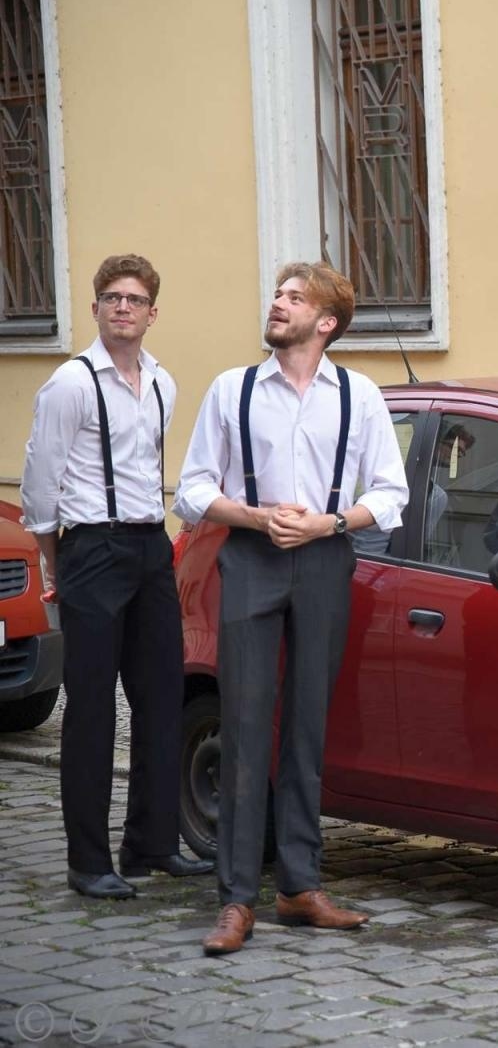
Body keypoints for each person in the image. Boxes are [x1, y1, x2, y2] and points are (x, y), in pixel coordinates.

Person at [176, 262, 408, 955]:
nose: (278, 305)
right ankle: (236, 899)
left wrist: (330, 525)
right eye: (278, 296)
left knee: (308, 725)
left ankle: (299, 886)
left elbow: (391, 494)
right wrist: (250, 514)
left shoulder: (358, 396)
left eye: (294, 298)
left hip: (324, 560)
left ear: (326, 323)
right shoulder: (232, 390)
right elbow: (190, 490)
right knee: (245, 727)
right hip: (250, 557)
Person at [20, 254, 214, 900]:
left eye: (134, 298)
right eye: (111, 297)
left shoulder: (162, 383)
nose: (122, 307)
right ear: (97, 308)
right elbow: (40, 484)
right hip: (91, 549)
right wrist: (56, 559)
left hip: (147, 545)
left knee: (160, 698)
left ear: (152, 313)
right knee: (93, 709)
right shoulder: (71, 384)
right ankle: (88, 860)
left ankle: (151, 845)